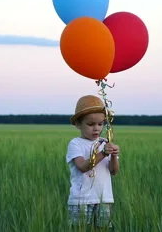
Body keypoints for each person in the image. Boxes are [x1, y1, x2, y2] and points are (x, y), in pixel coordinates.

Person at [66, 95, 120, 229]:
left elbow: (113, 171)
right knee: (80, 228)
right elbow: (82, 167)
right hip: (81, 200)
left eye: (100, 124)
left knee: (102, 229)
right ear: (78, 124)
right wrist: (104, 153)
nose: (96, 128)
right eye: (90, 124)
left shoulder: (104, 143)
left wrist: (113, 155)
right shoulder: (75, 144)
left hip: (103, 198)